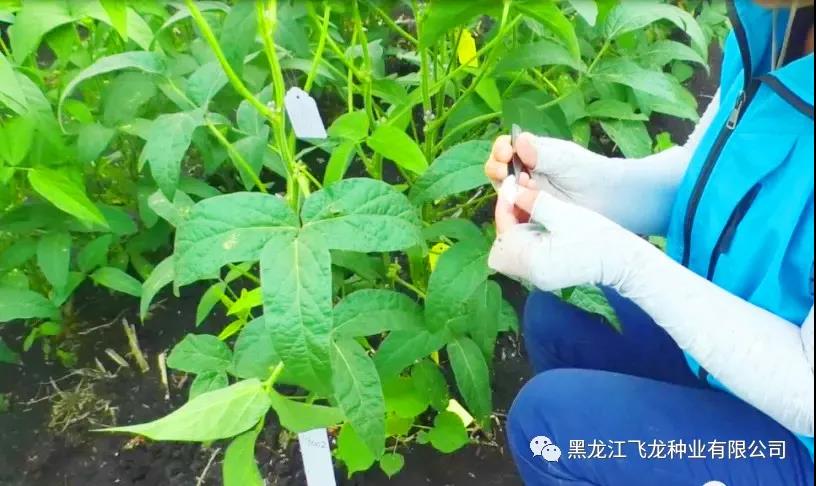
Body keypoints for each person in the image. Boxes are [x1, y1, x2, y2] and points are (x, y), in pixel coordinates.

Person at [484, 0, 814, 484]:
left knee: (548, 429)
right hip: (737, 350)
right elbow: (708, 170)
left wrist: (624, 263)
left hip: (800, 436)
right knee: (560, 315)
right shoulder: (777, 18)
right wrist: (588, 186)